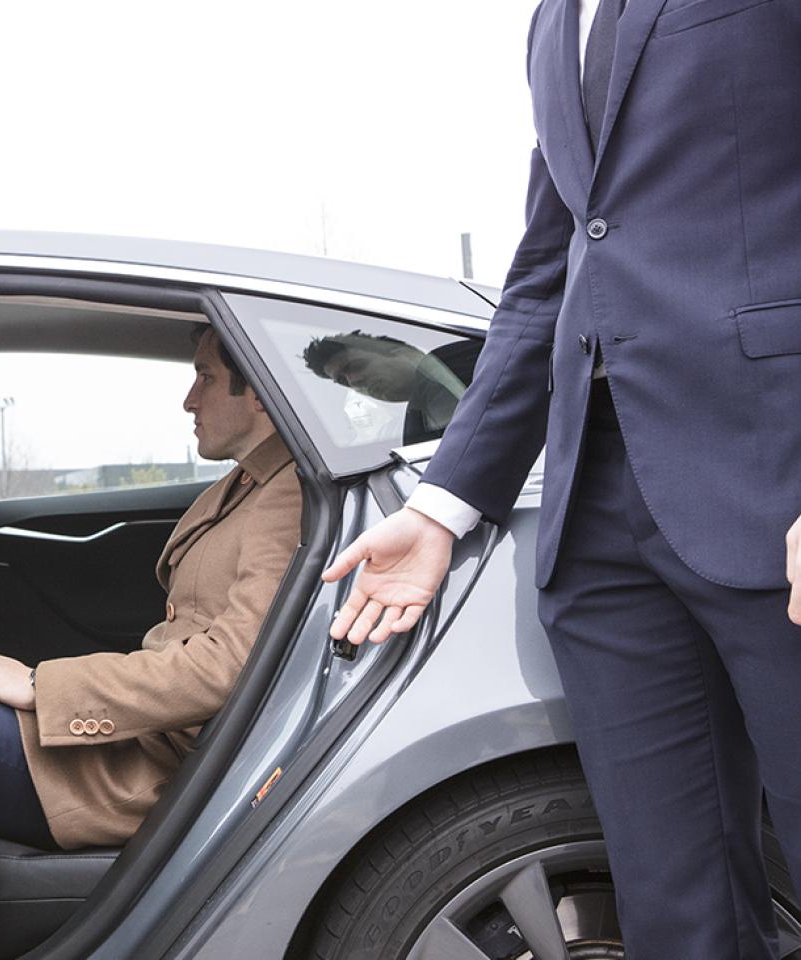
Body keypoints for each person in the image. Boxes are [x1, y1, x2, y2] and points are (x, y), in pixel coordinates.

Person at [322, 1, 801, 955]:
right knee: (676, 913)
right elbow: (550, 269)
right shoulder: (554, 22)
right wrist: (444, 505)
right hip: (599, 522)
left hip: (776, 481)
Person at [0, 328, 303, 850]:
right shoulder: (247, 485)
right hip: (138, 739)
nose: (189, 400)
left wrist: (38, 684)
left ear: (258, 391)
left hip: (146, 771)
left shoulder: (288, 496)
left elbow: (230, 668)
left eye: (205, 377)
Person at [300, 331, 482, 443]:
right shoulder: (403, 423)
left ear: (404, 353)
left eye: (356, 366)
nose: (354, 382)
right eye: (343, 381)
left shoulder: (450, 372)